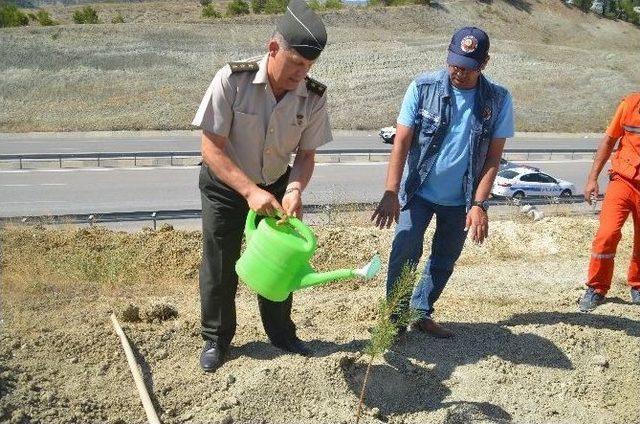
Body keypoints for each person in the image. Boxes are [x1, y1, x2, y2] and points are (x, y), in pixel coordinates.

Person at [191, 0, 331, 372]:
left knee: (281, 263)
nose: (301, 74)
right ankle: (217, 339)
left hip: (275, 184)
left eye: (308, 67)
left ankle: (282, 334)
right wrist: (249, 191)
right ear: (273, 49)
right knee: (221, 263)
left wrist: (295, 189)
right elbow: (211, 149)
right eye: (296, 64)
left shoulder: (313, 96)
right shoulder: (232, 80)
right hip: (226, 184)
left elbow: (305, 154)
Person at [372, 27, 514, 338]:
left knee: (444, 259)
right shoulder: (423, 88)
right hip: (418, 192)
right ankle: (395, 319)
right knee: (405, 247)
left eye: (467, 67)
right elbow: (402, 142)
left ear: (484, 63)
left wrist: (479, 204)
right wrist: (391, 191)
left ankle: (421, 312)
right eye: (454, 63)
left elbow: (493, 159)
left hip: (461, 200)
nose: (458, 72)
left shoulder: (498, 100)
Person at [579, 92, 640, 312]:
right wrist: (592, 178)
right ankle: (596, 287)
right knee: (607, 233)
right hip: (623, 179)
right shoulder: (630, 104)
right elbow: (609, 140)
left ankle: (638, 285)